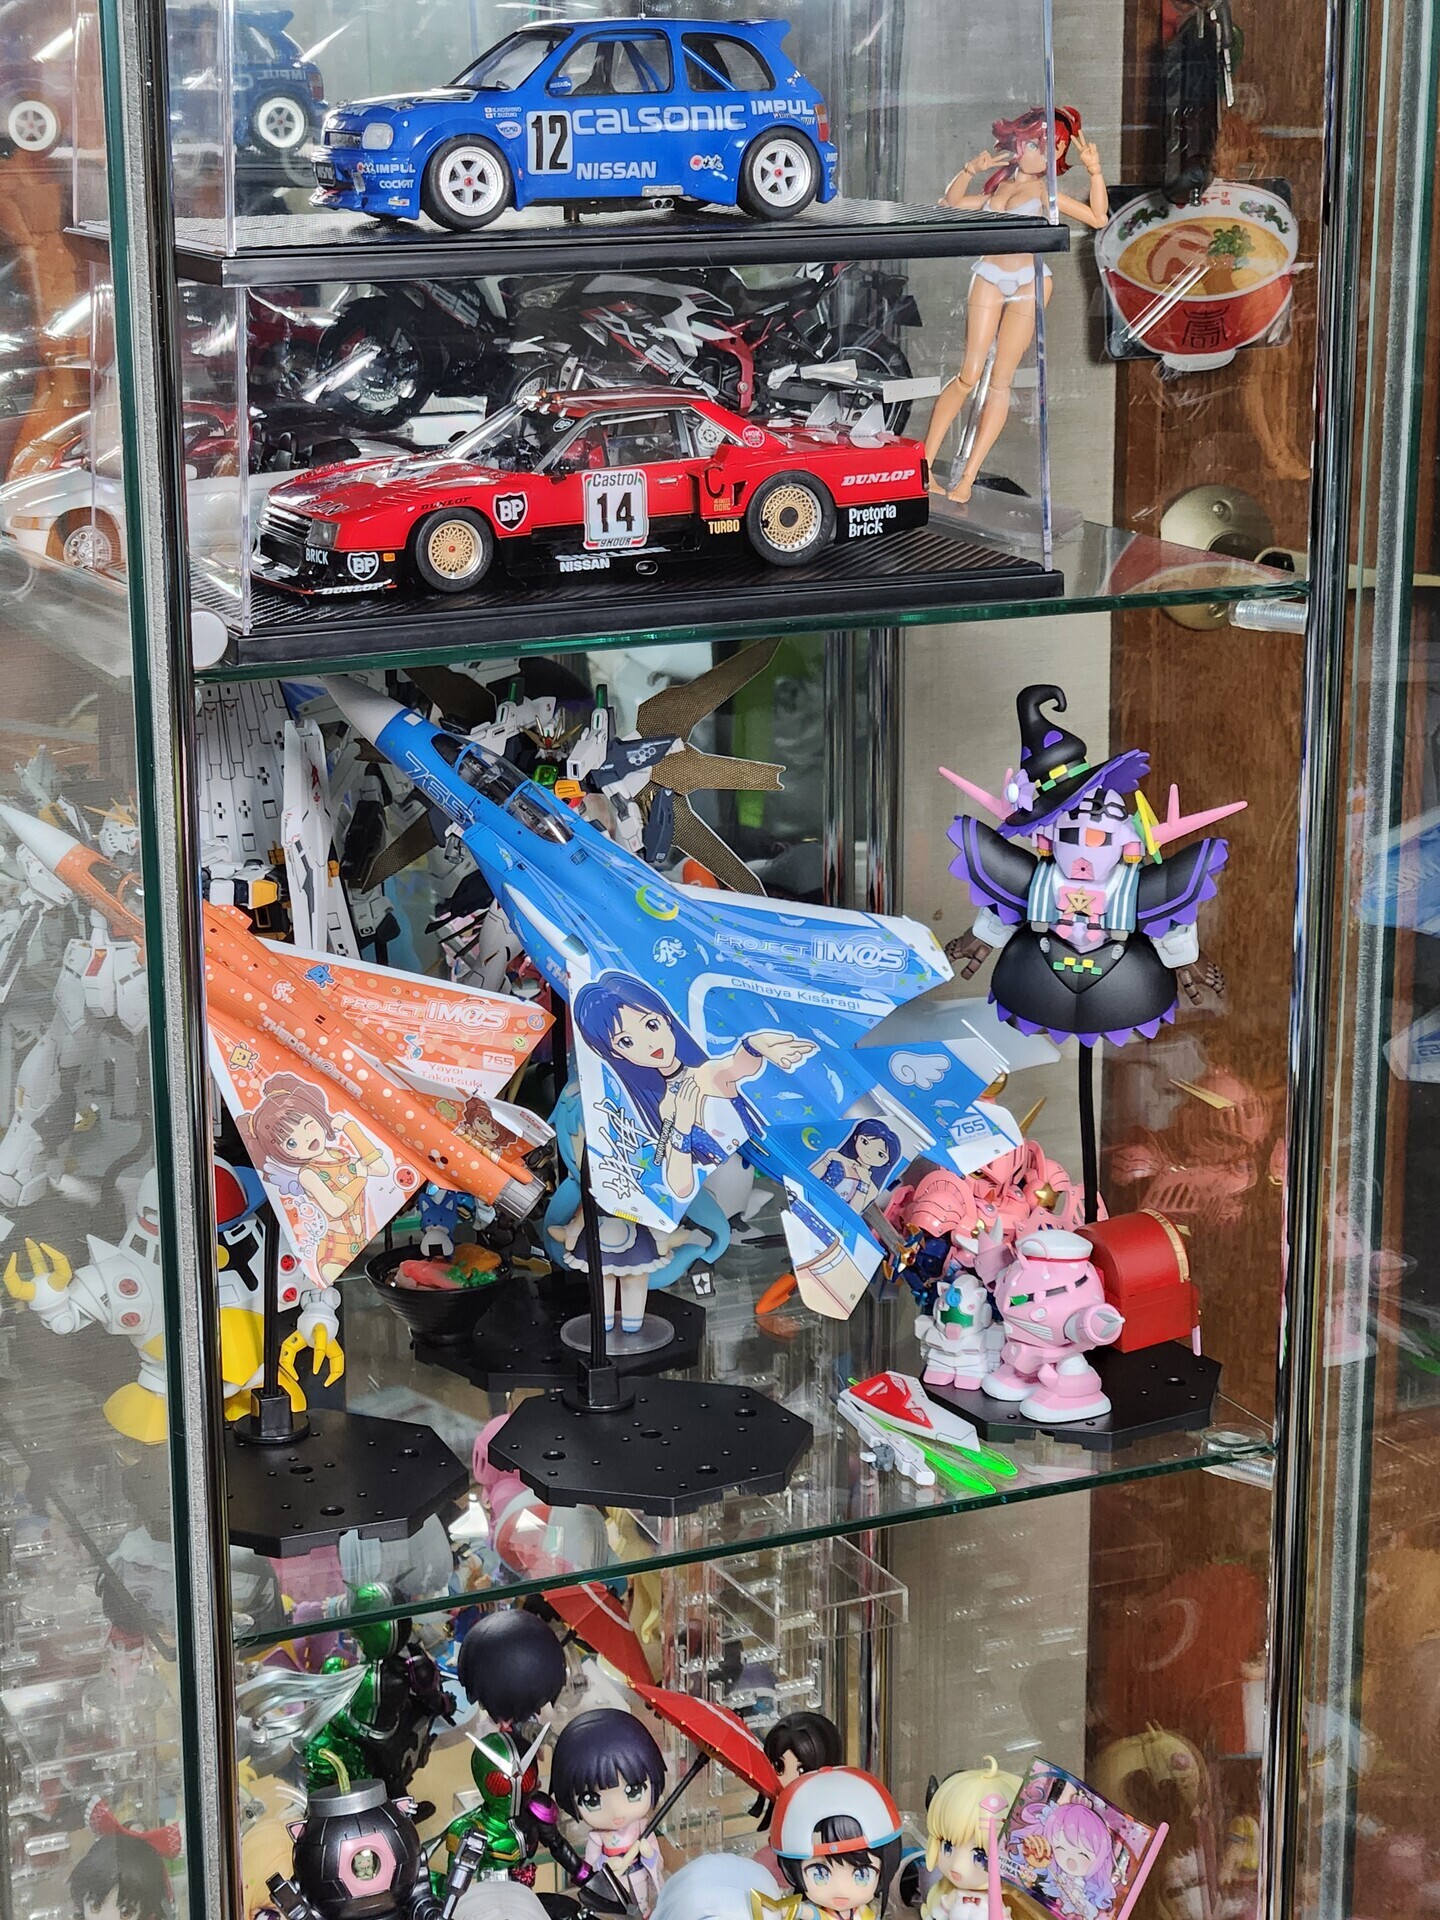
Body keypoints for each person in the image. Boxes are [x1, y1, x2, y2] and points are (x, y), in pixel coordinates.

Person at [924, 108, 1108, 503]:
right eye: (1035, 146)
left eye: (1052, 150)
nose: (1041, 155)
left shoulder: (1044, 192)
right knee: (969, 374)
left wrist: (1094, 171)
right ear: (1018, 143)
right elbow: (948, 203)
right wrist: (969, 169)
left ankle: (967, 479)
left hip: (1029, 281)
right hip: (989, 275)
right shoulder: (998, 189)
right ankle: (923, 465)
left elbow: (1097, 218)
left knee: (1001, 381)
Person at [573, 975, 815, 1203]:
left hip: (786, 1164)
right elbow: (678, 1185)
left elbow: (738, 1065)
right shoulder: (666, 1107)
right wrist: (682, 1126)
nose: (649, 1044)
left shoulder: (708, 1073)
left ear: (666, 1018)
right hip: (724, 1192)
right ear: (616, 1054)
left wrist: (754, 1045)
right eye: (626, 1041)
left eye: (651, 1025)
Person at [241, 1071, 386, 1280]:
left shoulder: (340, 1156)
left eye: (307, 1125)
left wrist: (351, 1128)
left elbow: (380, 1169)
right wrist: (360, 1178)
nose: (306, 1138)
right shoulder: (308, 1174)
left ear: (317, 1115)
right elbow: (335, 1207)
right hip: (333, 1253)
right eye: (291, 1143)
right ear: (282, 1153)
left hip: (359, 1243)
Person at [548, 1707, 668, 1910]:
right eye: (592, 1800)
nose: (616, 1811)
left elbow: (659, 1862)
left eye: (633, 1791)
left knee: (644, 1909)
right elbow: (592, 1867)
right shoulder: (598, 1838)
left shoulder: (643, 1828)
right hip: (615, 1884)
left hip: (640, 1879)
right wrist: (605, 1865)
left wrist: (649, 1853)